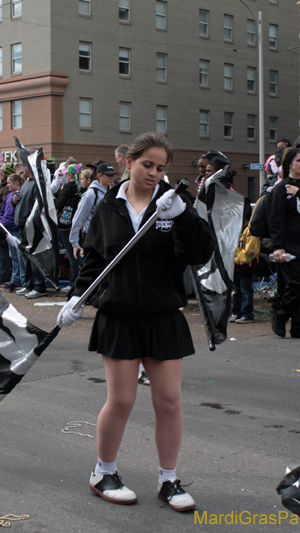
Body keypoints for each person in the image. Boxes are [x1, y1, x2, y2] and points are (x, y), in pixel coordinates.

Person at [57, 132, 215, 512]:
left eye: (160, 167)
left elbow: (200, 251)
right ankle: (103, 472)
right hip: (119, 317)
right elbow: (95, 261)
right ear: (128, 162)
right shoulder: (107, 208)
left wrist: (183, 217)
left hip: (163, 316)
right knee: (122, 400)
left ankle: (168, 480)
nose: (153, 173)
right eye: (147, 164)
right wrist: (77, 296)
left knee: (169, 401)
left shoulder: (173, 204)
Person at [266, 148, 300, 339]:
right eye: (298, 161)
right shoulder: (281, 188)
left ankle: (299, 327)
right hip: (289, 244)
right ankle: (280, 314)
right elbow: (275, 219)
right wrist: (278, 246)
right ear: (289, 164)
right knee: (297, 283)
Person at [70, 163, 118, 281]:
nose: (111, 177)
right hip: (92, 237)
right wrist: (74, 242)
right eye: (107, 175)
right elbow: (78, 218)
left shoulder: (113, 193)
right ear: (99, 176)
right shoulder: (91, 194)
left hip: (107, 237)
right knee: (91, 271)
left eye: (112, 175)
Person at [15, 170, 48, 299]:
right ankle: (29, 285)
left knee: (34, 257)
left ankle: (39, 287)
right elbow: (22, 201)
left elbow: (37, 206)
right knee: (26, 258)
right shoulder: (26, 183)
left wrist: (30, 221)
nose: (23, 168)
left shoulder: (37, 184)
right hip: (22, 225)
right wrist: (14, 201)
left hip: (31, 226)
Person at [55, 163, 83, 290]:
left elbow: (60, 203)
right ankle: (79, 279)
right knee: (78, 252)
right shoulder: (80, 187)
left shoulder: (69, 187)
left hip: (67, 224)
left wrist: (54, 199)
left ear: (70, 175)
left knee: (72, 254)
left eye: (67, 174)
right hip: (77, 222)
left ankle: (74, 282)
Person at [0, 174, 25, 290]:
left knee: (20, 256)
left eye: (9, 182)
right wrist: (2, 220)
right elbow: (3, 210)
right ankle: (15, 279)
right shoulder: (9, 195)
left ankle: (23, 280)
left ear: (16, 182)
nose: (8, 185)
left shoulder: (21, 194)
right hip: (7, 227)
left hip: (16, 227)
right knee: (14, 256)